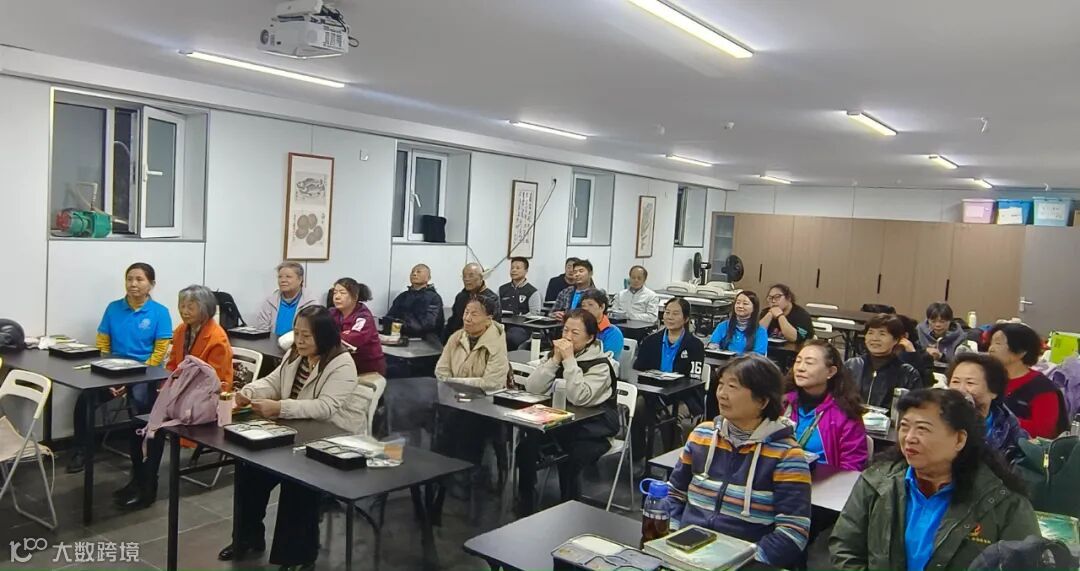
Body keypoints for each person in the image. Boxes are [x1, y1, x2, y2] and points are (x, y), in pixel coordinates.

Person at [220, 306, 369, 569]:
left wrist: (280, 408)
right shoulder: (295, 354)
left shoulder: (342, 363)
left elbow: (325, 408)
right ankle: (247, 538)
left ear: (323, 335)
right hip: (295, 433)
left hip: (330, 440)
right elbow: (274, 382)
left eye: (306, 336)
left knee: (298, 484)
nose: (299, 340)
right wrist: (248, 392)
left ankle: (298, 557)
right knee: (249, 471)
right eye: (297, 333)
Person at [830, 389, 1039, 571]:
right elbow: (845, 547)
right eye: (904, 426)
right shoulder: (876, 482)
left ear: (959, 439)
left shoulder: (1003, 503)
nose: (909, 438)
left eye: (923, 429)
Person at [663, 354, 812, 569]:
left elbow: (793, 531)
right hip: (685, 553)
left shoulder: (787, 456)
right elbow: (674, 494)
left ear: (762, 401)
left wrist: (740, 562)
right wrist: (671, 536)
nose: (722, 394)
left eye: (732, 387)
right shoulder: (702, 435)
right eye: (721, 384)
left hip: (744, 563)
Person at [115, 285, 234, 509]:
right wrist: (165, 389)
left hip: (205, 403)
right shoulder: (181, 330)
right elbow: (172, 366)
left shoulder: (217, 338)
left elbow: (216, 382)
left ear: (205, 309)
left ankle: (148, 488)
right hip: (180, 395)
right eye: (182, 305)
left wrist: (174, 394)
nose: (184, 311)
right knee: (137, 423)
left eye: (191, 307)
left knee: (154, 429)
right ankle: (137, 479)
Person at [68, 262, 173, 473]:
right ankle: (81, 450)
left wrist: (131, 379)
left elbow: (160, 351)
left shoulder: (160, 312)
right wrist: (107, 373)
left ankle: (142, 460)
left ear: (151, 284)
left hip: (145, 372)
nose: (133, 284)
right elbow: (103, 344)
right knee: (84, 400)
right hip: (113, 370)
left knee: (141, 404)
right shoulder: (113, 308)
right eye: (129, 279)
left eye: (139, 279)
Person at [516, 310, 620, 514]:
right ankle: (526, 503)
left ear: (590, 338)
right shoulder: (556, 355)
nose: (567, 337)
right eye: (565, 330)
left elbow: (579, 397)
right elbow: (533, 388)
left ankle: (569, 509)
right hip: (560, 424)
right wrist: (554, 360)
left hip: (592, 429)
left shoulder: (600, 365)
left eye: (575, 333)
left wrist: (570, 361)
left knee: (572, 458)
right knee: (526, 448)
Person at [435, 295, 510, 463]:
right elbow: (441, 371)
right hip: (455, 399)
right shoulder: (456, 337)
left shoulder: (496, 343)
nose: (467, 318)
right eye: (466, 312)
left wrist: (455, 382)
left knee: (466, 428)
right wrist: (455, 386)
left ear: (488, 319)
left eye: (474, 314)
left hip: (485, 403)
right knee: (439, 423)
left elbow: (491, 383)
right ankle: (443, 470)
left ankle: (467, 471)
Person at [784, 340, 869, 471]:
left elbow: (851, 468)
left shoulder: (845, 414)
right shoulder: (783, 403)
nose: (800, 368)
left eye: (809, 363)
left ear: (831, 372)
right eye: (798, 361)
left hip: (824, 481)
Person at [946, 353, 1029, 467]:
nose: (960, 390)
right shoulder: (938, 419)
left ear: (994, 391)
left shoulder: (1009, 427)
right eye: (955, 382)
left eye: (970, 383)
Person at [987, 322, 1067, 438]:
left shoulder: (1042, 388)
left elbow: (1044, 432)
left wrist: (1000, 420)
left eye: (998, 343)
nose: (991, 349)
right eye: (991, 343)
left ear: (1021, 352)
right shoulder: (988, 378)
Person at [844, 313, 922, 410]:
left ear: (896, 340)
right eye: (870, 333)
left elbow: (914, 408)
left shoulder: (907, 373)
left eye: (882, 334)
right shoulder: (852, 365)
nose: (874, 338)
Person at [633, 297, 705, 378]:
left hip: (681, 386)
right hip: (650, 384)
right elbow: (638, 369)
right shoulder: (649, 341)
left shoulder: (696, 345)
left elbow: (694, 378)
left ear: (686, 319)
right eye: (667, 312)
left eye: (675, 314)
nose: (670, 317)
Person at [329, 278, 387, 377]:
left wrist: (332, 336)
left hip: (368, 370)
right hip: (343, 366)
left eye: (342, 293)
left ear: (355, 297)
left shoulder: (364, 316)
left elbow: (352, 340)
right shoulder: (332, 312)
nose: (337, 297)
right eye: (335, 293)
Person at [253, 261, 321, 336]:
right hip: (271, 342)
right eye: (280, 277)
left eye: (288, 277)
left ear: (300, 279)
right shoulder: (270, 301)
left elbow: (312, 333)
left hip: (299, 342)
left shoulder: (311, 303)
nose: (283, 280)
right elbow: (262, 330)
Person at [443, 263, 500, 343]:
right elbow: (454, 321)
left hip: (481, 339)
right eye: (464, 276)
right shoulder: (461, 296)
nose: (466, 279)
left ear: (481, 277)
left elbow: (492, 326)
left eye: (471, 275)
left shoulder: (491, 298)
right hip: (457, 337)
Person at [385, 263, 445, 339]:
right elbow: (390, 317)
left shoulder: (434, 298)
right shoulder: (402, 296)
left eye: (418, 272)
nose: (414, 274)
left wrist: (400, 325)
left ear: (428, 278)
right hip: (400, 337)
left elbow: (428, 324)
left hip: (425, 340)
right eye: (412, 272)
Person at [707, 290, 768, 355]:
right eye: (738, 303)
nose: (740, 306)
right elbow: (713, 345)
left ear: (754, 308)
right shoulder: (723, 326)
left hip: (748, 361)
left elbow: (758, 355)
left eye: (745, 303)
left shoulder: (760, 331)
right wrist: (713, 347)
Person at [499, 256, 542, 349]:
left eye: (518, 268)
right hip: (502, 325)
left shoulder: (532, 292)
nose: (514, 270)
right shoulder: (502, 289)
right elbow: (496, 307)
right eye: (512, 268)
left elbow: (535, 314)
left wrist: (520, 318)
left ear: (526, 271)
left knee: (511, 337)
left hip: (522, 328)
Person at [579, 289, 623, 360]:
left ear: (602, 307)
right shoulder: (580, 327)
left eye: (590, 305)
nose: (586, 309)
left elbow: (608, 360)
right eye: (583, 305)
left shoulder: (613, 333)